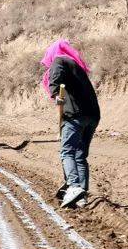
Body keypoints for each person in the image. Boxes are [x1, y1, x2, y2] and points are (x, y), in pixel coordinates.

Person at [42, 40, 100, 208]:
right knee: (80, 155)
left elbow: (54, 84)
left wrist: (55, 95)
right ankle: (82, 196)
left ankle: (74, 187)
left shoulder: (58, 61)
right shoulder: (77, 66)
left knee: (67, 152)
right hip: (93, 116)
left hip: (75, 116)